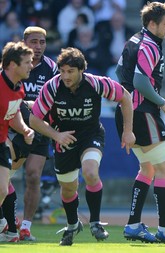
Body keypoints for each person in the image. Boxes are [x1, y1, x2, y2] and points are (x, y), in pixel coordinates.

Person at [29, 47, 135, 246]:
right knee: (68, 189)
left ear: (81, 71)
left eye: (70, 71)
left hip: (91, 135)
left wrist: (128, 131)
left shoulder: (96, 83)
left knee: (90, 172)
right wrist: (56, 135)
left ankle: (95, 223)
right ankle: (72, 225)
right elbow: (34, 119)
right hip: (64, 139)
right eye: (62, 71)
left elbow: (125, 97)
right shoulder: (52, 87)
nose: (65, 76)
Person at [114, 1, 165, 245]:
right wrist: (162, 102)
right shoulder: (150, 45)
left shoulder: (134, 40)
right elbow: (139, 81)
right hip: (142, 112)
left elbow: (119, 72)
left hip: (128, 111)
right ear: (152, 23)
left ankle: (134, 225)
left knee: (147, 169)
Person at [6, 26, 59, 242]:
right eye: (34, 42)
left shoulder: (53, 69)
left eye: (42, 42)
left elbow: (57, 98)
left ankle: (25, 226)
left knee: (34, 176)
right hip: (12, 126)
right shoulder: (14, 65)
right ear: (24, 42)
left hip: (39, 129)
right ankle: (8, 222)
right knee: (5, 175)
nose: (38, 47)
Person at [0, 41, 35, 242]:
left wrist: (24, 129)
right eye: (27, 62)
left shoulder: (18, 88)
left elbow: (13, 115)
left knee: (3, 190)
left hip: (1, 142)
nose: (31, 65)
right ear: (12, 64)